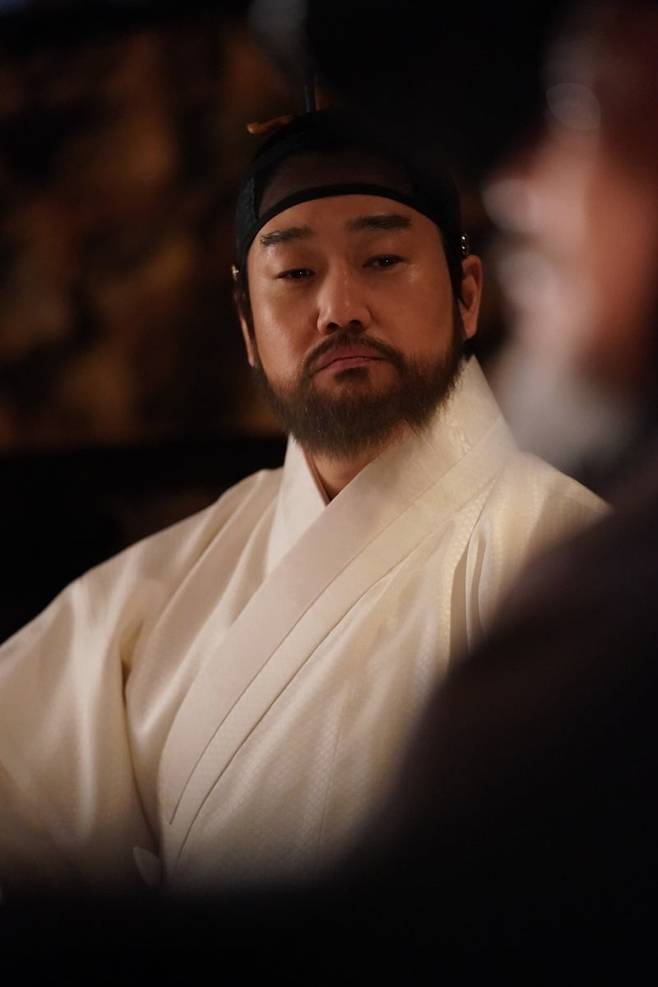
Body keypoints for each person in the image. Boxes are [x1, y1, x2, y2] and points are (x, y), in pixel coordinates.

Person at [0, 106, 604, 896]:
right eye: (294, 274)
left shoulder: (565, 554)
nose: (339, 307)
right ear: (248, 326)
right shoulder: (166, 586)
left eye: (382, 259)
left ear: (466, 294)